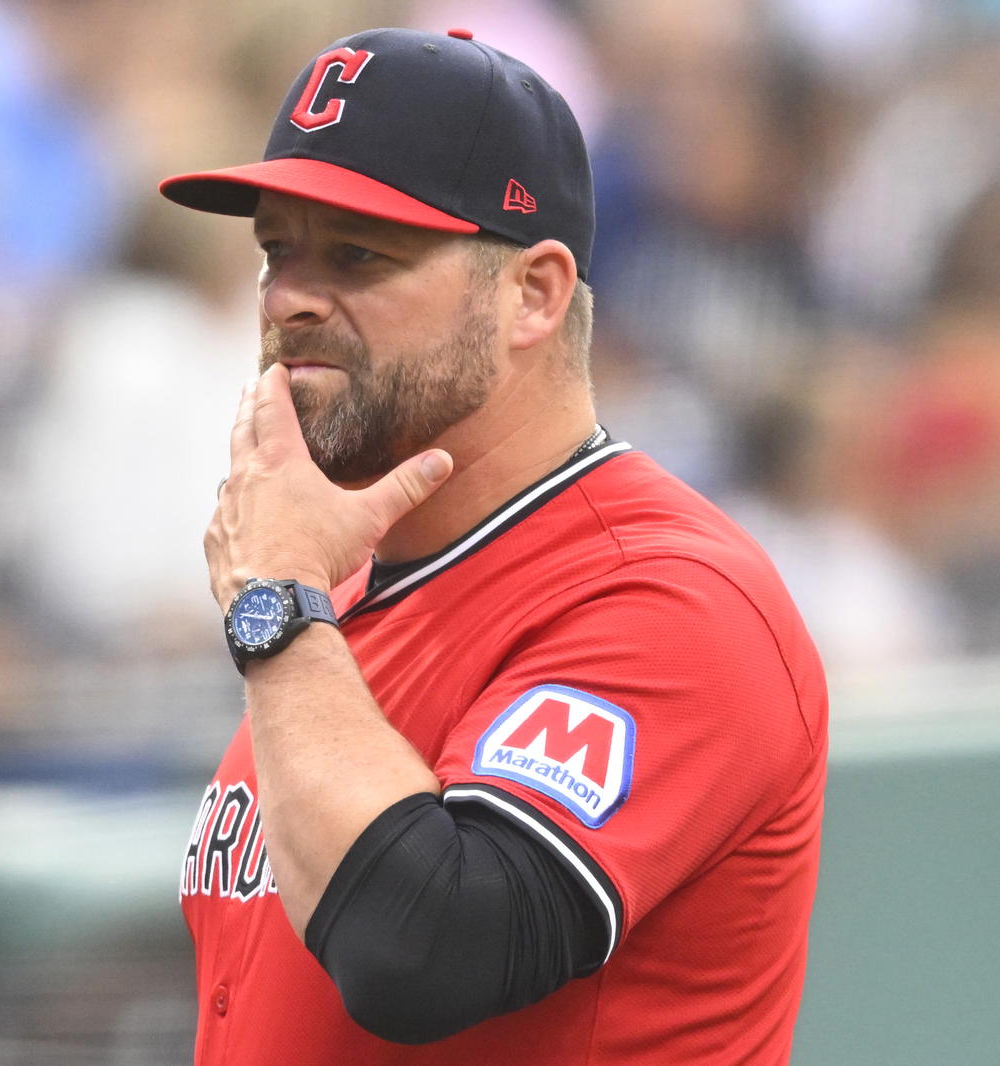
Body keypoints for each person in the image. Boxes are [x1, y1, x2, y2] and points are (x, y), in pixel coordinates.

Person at [160, 26, 826, 1066]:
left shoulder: (669, 598)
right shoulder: (333, 584)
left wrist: (277, 606)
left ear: (533, 294)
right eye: (276, 249)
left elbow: (423, 950)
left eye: (356, 253)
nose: (288, 295)